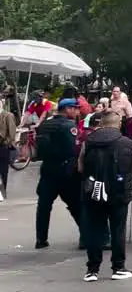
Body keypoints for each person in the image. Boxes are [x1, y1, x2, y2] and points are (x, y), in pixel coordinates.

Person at [78, 111, 132, 281]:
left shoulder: (88, 142)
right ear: (119, 124)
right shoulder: (127, 142)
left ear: (101, 124)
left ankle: (92, 270)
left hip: (93, 191)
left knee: (94, 229)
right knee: (118, 228)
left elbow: (80, 167)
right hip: (119, 191)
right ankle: (118, 267)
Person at [34, 99, 83, 249]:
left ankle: (41, 239)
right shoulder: (68, 126)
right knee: (76, 205)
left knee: (44, 206)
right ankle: (87, 235)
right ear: (66, 109)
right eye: (74, 108)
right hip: (65, 171)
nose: (77, 112)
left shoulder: (45, 125)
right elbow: (73, 149)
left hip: (47, 169)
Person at [0, 99, 16, 201]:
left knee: (2, 171)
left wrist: (6, 142)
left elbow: (12, 133)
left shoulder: (7, 115)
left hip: (2, 146)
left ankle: (1, 192)